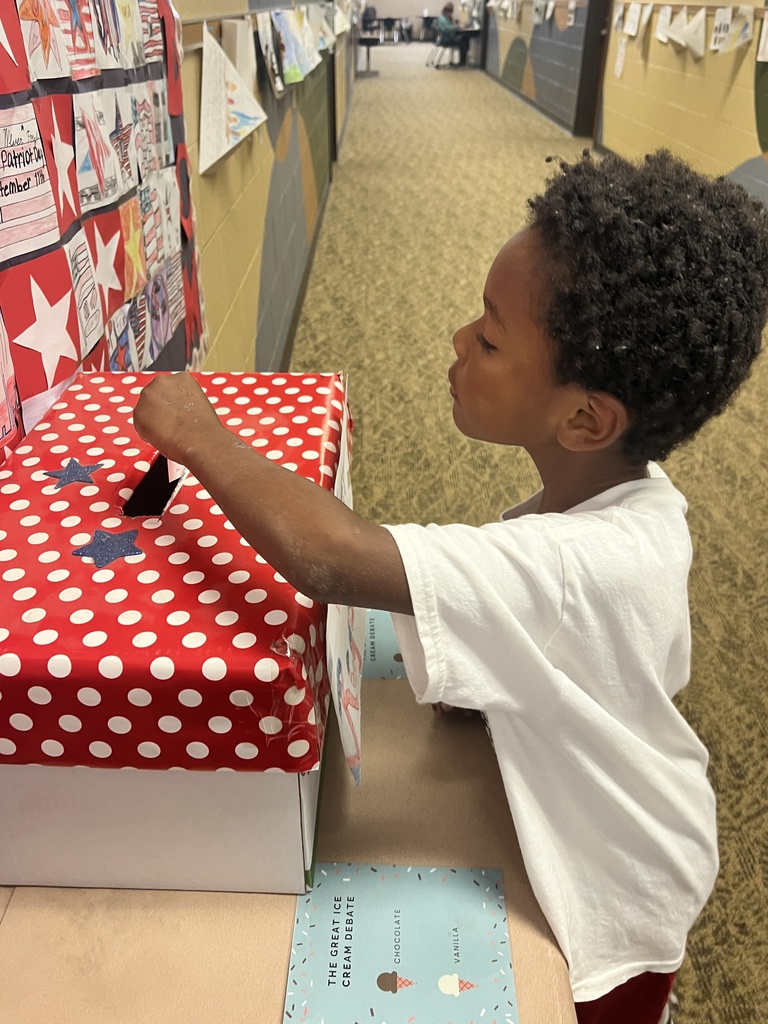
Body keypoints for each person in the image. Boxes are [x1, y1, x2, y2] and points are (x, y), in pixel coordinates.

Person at [133, 150, 768, 1024]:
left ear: (586, 418)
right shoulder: (642, 500)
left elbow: (329, 553)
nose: (459, 340)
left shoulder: (577, 567)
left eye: (491, 338)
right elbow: (599, 658)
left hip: (618, 898)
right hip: (644, 829)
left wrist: (199, 435)